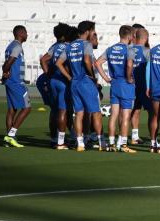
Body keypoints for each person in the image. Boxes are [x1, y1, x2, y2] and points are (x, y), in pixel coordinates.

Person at [55, 20, 105, 152]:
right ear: (88, 31)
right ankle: (101, 143)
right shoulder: (86, 44)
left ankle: (80, 143)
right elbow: (87, 60)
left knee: (79, 113)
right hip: (85, 81)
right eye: (93, 31)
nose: (93, 33)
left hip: (74, 83)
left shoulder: (70, 46)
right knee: (95, 112)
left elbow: (59, 63)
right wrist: (92, 77)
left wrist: (69, 77)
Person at [95, 25, 137, 153]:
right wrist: (129, 78)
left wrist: (107, 78)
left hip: (114, 84)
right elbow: (129, 64)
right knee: (125, 116)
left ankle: (112, 144)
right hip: (126, 84)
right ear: (129, 36)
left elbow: (97, 63)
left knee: (113, 116)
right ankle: (123, 145)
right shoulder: (129, 49)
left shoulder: (111, 49)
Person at [2, 25, 31, 148]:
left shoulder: (10, 46)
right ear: (20, 33)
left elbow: (6, 63)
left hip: (11, 82)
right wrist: (6, 70)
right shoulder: (17, 47)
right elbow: (9, 62)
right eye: (26, 32)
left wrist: (5, 72)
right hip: (16, 82)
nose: (27, 34)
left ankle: (8, 139)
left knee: (12, 109)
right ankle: (11, 135)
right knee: (27, 108)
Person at [130, 26, 152, 144]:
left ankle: (134, 136)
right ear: (146, 38)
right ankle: (153, 137)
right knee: (151, 112)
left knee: (134, 110)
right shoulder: (147, 51)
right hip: (144, 86)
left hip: (131, 85)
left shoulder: (129, 49)